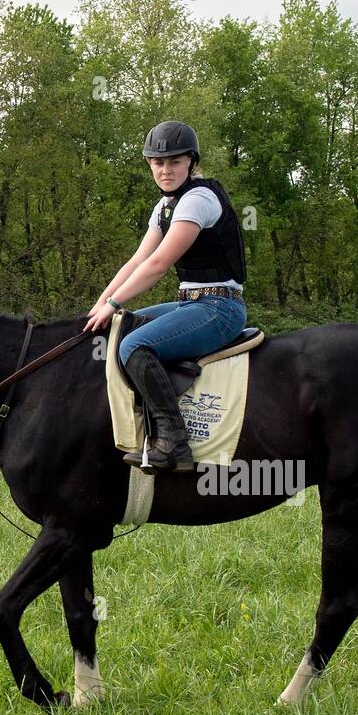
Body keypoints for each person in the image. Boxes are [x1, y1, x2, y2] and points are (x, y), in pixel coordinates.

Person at [84, 120, 248, 473]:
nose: (165, 169)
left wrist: (114, 303)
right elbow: (137, 260)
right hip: (193, 302)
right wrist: (101, 304)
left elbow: (158, 264)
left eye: (174, 161)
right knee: (122, 327)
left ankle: (174, 442)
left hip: (220, 308)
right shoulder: (165, 206)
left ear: (190, 161)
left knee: (134, 346)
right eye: (158, 162)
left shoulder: (199, 200)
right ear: (149, 164)